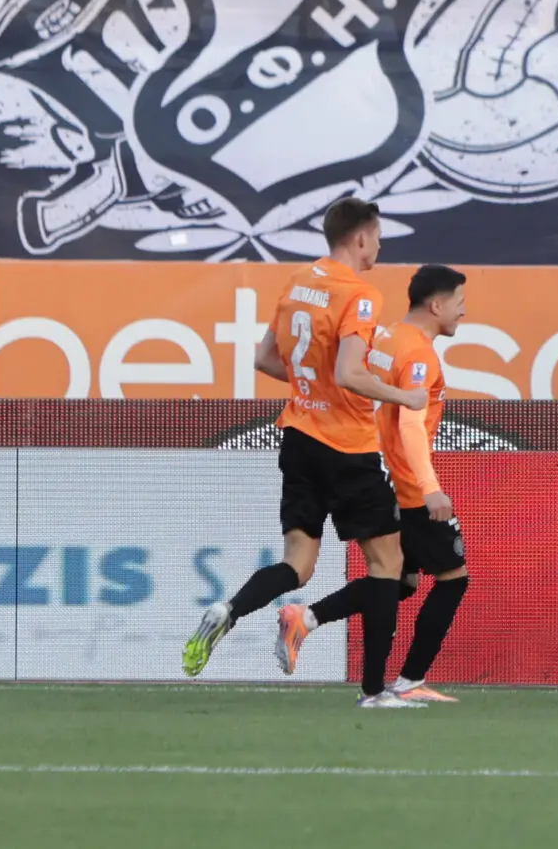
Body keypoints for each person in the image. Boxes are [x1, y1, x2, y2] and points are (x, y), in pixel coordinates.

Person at [182, 197, 429, 708]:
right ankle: (374, 691)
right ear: (360, 237)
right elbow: (349, 373)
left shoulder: (296, 282)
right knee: (388, 564)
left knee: (297, 564)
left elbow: (265, 359)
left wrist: (311, 388)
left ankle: (229, 609)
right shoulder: (360, 295)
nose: (379, 245)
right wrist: (404, 396)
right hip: (347, 447)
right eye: (378, 236)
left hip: (298, 437)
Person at [276, 262, 472, 708]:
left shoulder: (384, 337)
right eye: (459, 302)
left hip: (377, 474)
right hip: (407, 483)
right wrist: (429, 487)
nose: (464, 311)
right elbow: (410, 424)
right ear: (436, 305)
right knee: (452, 578)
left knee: (399, 582)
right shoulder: (420, 355)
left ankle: (306, 618)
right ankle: (408, 680)